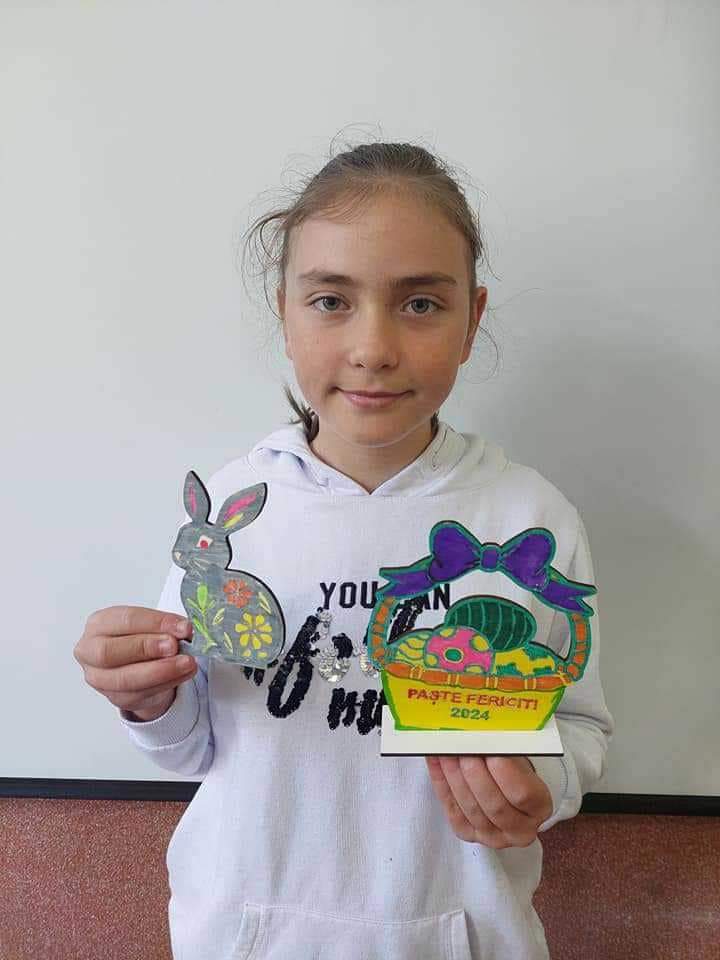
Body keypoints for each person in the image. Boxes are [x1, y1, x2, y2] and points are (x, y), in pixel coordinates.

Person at [74, 140, 614, 960]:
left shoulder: (528, 519)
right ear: (285, 315)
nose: (373, 347)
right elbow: (192, 745)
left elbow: (578, 725)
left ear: (472, 320)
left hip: (462, 936)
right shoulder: (230, 512)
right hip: (247, 935)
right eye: (330, 300)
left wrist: (542, 782)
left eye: (421, 304)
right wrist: (146, 697)